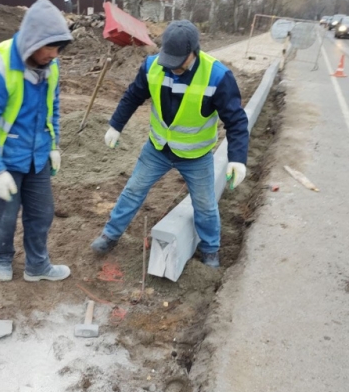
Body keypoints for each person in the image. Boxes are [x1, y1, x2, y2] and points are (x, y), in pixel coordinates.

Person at [91, 20, 249, 268]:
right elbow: (133, 96)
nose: (172, 67)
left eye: (179, 62)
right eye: (169, 60)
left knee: (205, 206)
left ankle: (210, 250)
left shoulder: (217, 76)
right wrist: (116, 125)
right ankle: (110, 235)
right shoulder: (153, 66)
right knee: (133, 190)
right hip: (157, 149)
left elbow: (236, 121)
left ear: (193, 52)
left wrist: (237, 159)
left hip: (196, 156)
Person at [0, 0, 73, 282]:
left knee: (43, 213)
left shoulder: (51, 65)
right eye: (50, 47)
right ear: (32, 41)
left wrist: (54, 145)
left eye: (59, 47)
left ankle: (37, 266)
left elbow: (53, 107)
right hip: (3, 156)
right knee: (6, 216)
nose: (54, 54)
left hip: (36, 155)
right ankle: (3, 259)